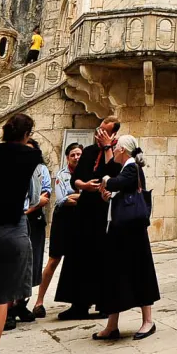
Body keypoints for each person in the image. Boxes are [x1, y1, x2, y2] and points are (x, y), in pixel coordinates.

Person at [0, 114, 43, 354]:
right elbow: (33, 197)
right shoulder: (30, 158)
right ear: (27, 134)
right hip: (11, 228)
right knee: (0, 300)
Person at [93, 135, 159, 340]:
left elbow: (116, 183)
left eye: (116, 146)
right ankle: (112, 324)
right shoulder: (127, 168)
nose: (114, 149)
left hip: (132, 231)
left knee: (139, 271)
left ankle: (148, 321)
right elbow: (119, 190)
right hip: (121, 230)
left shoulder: (132, 167)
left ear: (122, 149)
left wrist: (106, 182)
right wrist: (108, 196)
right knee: (115, 274)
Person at [54, 116, 120, 319]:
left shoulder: (117, 151)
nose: (99, 133)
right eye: (99, 129)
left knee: (102, 258)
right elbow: (75, 179)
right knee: (77, 255)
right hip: (85, 211)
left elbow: (114, 174)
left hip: (104, 212)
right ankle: (78, 304)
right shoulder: (90, 151)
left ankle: (103, 304)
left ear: (113, 134)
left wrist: (108, 147)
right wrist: (84, 186)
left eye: (105, 131)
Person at [33, 142, 83, 317]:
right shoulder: (62, 174)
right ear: (67, 157)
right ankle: (39, 301)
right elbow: (63, 199)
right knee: (54, 260)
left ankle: (77, 301)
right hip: (63, 221)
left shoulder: (86, 173)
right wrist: (83, 195)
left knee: (77, 261)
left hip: (80, 221)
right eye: (73, 155)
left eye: (79, 154)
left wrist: (76, 196)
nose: (77, 157)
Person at [6, 139, 52, 324]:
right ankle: (8, 309)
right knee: (14, 265)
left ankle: (21, 304)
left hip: (33, 220)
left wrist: (25, 209)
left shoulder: (41, 170)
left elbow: (45, 196)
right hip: (16, 222)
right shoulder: (12, 169)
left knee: (33, 264)